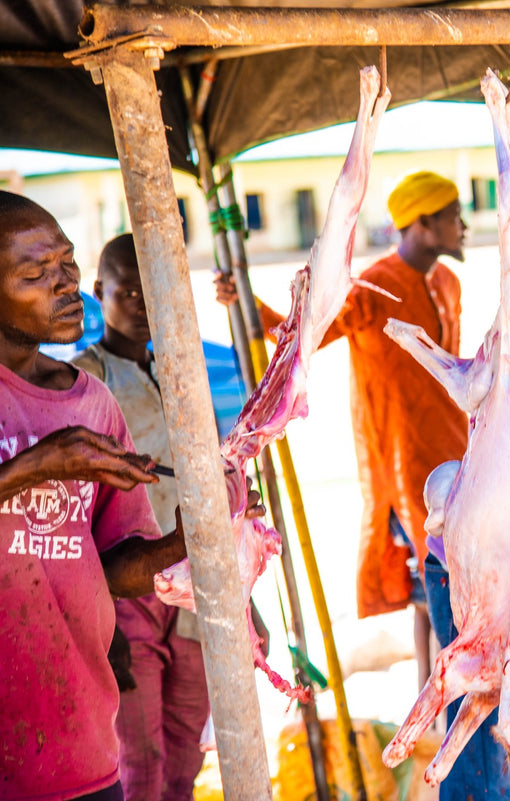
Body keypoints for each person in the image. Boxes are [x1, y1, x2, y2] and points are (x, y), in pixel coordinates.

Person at [216, 171, 469, 694]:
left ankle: (438, 688)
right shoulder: (376, 285)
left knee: (450, 582)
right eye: (452, 217)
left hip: (458, 457)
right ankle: (435, 690)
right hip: (402, 466)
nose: (463, 227)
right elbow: (304, 333)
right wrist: (243, 304)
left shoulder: (448, 283)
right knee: (434, 583)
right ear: (423, 223)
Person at [0, 192, 188, 801]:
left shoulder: (90, 402)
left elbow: (113, 570)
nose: (66, 285)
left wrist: (184, 545)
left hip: (81, 739)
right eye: (35, 274)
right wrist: (38, 465)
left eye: (67, 263)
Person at [73, 234, 224, 801]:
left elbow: (213, 480)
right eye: (125, 289)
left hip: (194, 588)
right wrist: (98, 623)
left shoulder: (185, 373)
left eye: (150, 289)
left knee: (185, 754)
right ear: (99, 294)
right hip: (126, 591)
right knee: (140, 758)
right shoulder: (84, 381)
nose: (140, 302)